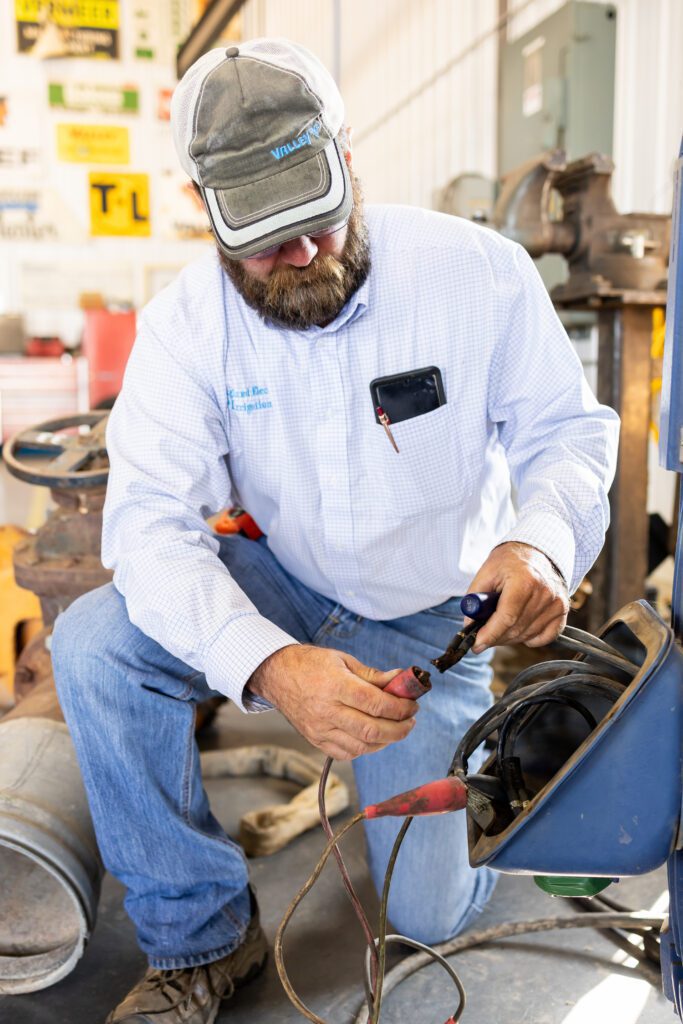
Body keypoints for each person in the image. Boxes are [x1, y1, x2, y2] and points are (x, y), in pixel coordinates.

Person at [52, 37, 619, 1024]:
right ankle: (202, 941)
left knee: (426, 912)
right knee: (96, 641)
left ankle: (458, 791)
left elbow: (565, 433)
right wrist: (270, 666)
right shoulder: (187, 330)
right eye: (265, 240)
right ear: (205, 210)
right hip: (284, 581)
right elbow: (148, 529)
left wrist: (538, 541)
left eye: (316, 217)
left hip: (431, 617)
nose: (303, 253)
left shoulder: (474, 275)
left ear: (348, 158)